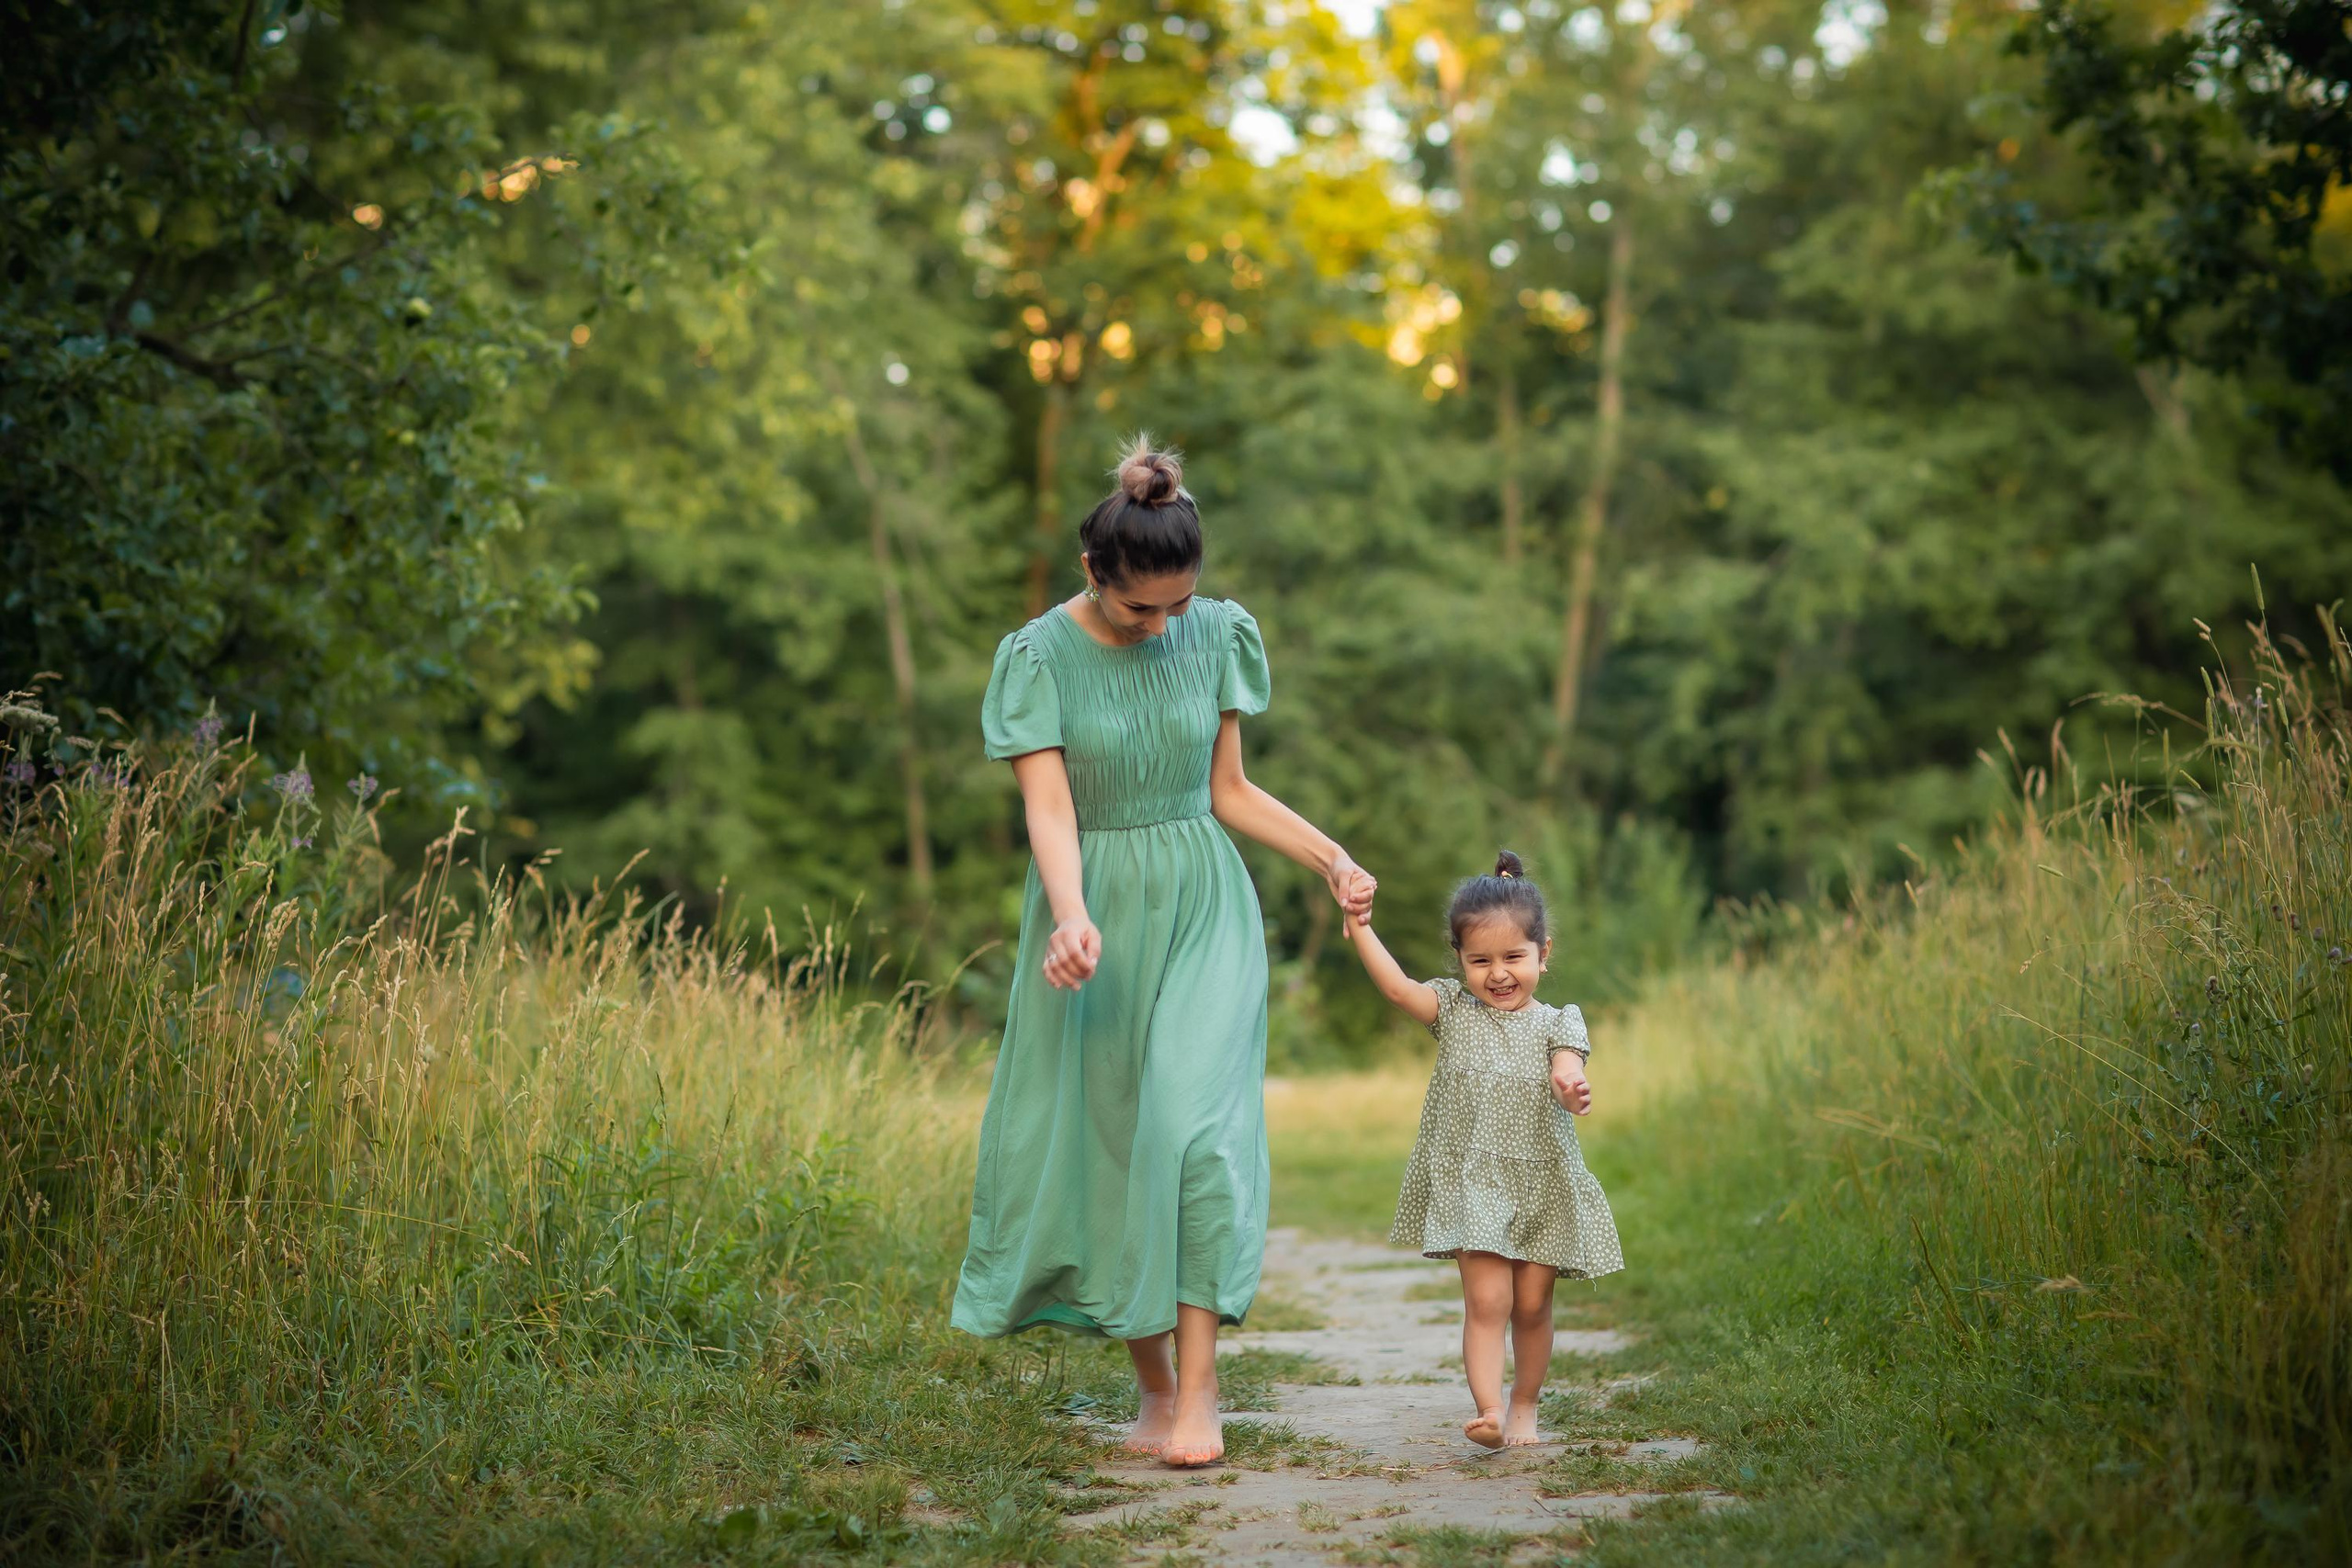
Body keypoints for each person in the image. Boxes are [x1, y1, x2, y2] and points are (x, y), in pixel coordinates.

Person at [951, 434, 1378, 1469]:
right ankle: (1151, 1391)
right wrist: (1068, 914)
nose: (1162, 627)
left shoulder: (1217, 633)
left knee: (1190, 1137)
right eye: (1143, 609)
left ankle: (1202, 1397)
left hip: (1203, 908)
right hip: (1092, 924)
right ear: (1094, 572)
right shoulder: (1037, 656)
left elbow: (1228, 791)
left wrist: (1330, 855)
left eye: (1177, 606)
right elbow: (1049, 808)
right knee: (1111, 1148)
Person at [1343, 851, 1623, 1449]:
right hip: (1475, 1181)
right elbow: (1396, 989)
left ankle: (1526, 1402)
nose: (1498, 973)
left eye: (1514, 957)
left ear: (1544, 954)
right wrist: (1361, 926)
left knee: (1532, 1304)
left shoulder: (1559, 1021)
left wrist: (1570, 1085)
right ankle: (1491, 1409)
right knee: (1488, 1299)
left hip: (1541, 1179)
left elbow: (1568, 1064)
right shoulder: (1452, 1009)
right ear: (1460, 959)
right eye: (1481, 959)